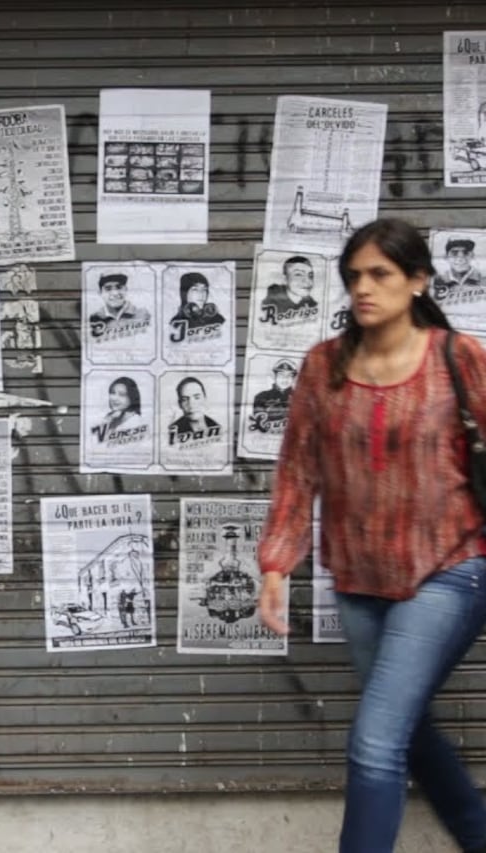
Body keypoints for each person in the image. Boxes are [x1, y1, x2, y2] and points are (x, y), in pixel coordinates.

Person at [257, 217, 486, 853]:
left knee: (376, 741)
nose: (364, 287)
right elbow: (298, 469)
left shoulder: (457, 356)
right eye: (354, 275)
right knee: (407, 733)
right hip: (358, 579)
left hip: (450, 568)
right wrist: (277, 565)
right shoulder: (324, 365)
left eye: (380, 274)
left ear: (417, 280)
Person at [88, 272, 150, 336]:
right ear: (100, 293)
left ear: (126, 289)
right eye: (108, 289)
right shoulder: (95, 317)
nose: (115, 293)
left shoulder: (142, 314)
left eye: (119, 287)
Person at [167, 376, 220, 441]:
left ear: (205, 399)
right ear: (180, 404)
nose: (191, 404)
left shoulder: (216, 426)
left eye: (197, 397)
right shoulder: (173, 432)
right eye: (185, 399)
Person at [91, 376, 143, 441]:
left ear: (132, 397)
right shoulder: (110, 416)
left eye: (122, 394)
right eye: (113, 393)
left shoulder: (136, 422)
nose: (114, 398)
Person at [250, 359, 296, 432]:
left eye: (289, 376)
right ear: (274, 376)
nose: (285, 379)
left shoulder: (300, 398)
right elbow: (259, 424)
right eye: (281, 375)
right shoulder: (261, 397)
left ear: (293, 378)